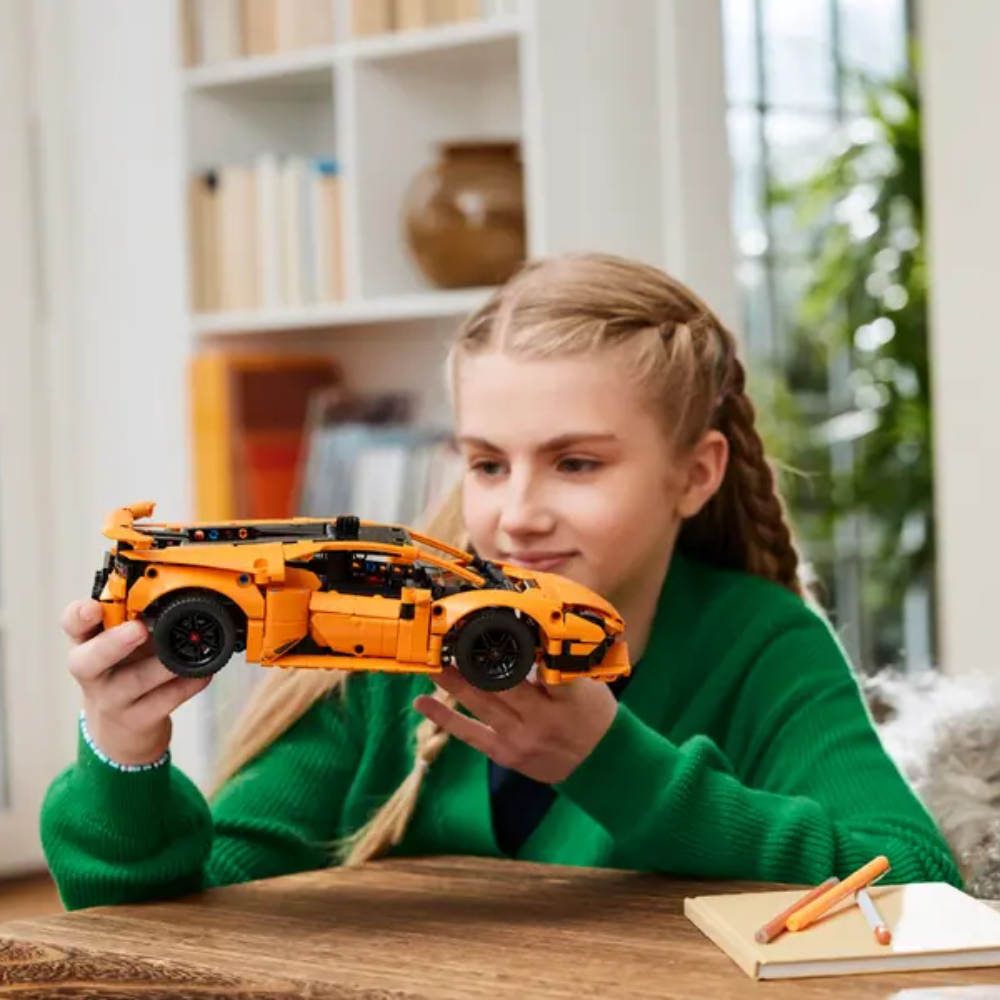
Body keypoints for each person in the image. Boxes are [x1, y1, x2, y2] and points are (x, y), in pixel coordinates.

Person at [40, 252, 962, 911]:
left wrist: (615, 766)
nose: (518, 513)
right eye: (487, 465)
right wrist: (124, 751)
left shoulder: (760, 642)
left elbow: (920, 885)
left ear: (696, 473)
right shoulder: (375, 635)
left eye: (575, 464)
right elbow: (185, 911)